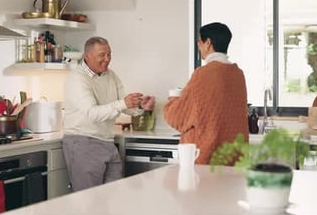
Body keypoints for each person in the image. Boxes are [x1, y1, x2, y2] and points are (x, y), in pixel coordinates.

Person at [62, 36, 155, 192]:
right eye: (102, 55)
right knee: (88, 205)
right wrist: (124, 103)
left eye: (109, 54)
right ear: (87, 56)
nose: (107, 59)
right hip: (83, 144)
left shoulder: (110, 75)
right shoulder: (77, 79)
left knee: (113, 200)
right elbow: (92, 113)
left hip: (107, 143)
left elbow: (123, 106)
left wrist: (140, 107)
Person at [163, 22, 248, 164]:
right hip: (233, 158)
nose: (199, 46)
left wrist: (173, 98)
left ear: (208, 43)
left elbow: (177, 117)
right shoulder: (238, 75)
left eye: (199, 42)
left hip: (206, 159)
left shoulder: (202, 74)